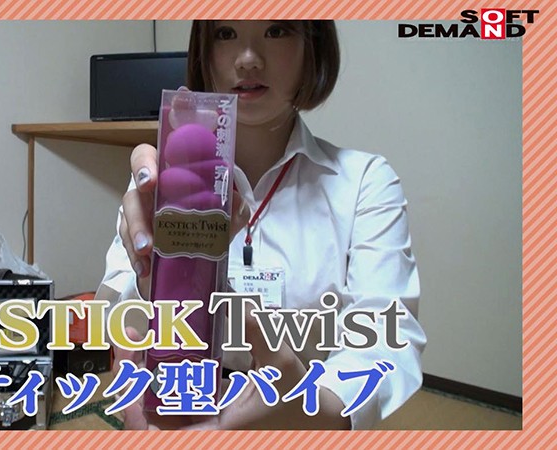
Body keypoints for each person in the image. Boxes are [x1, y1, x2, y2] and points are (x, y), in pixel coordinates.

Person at [96, 20, 426, 430]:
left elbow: (386, 338)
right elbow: (120, 320)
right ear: (203, 51)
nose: (248, 59)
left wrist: (315, 409)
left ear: (313, 47)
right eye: (225, 33)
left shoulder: (364, 182)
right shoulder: (163, 184)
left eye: (277, 30)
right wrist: (153, 280)